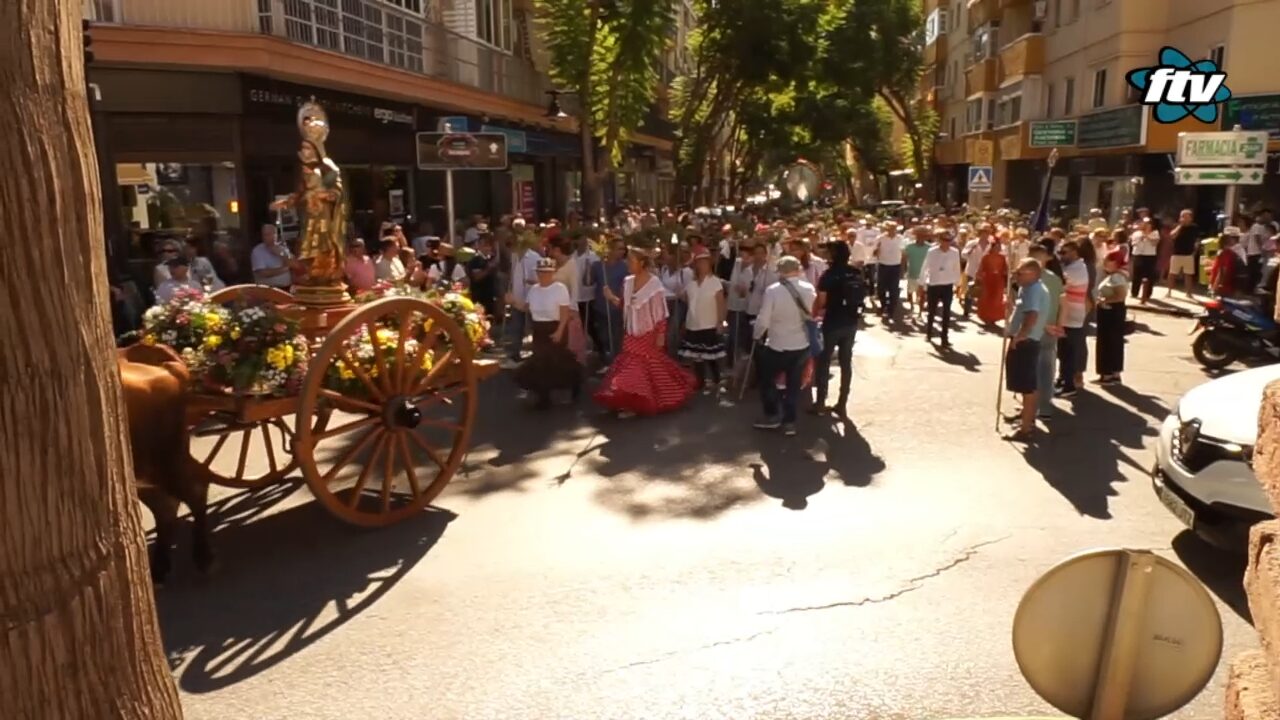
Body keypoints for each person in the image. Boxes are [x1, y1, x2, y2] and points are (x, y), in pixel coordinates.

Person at [594, 246, 696, 417]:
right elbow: (624, 306)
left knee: (646, 367)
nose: (628, 263)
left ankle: (639, 402)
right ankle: (630, 401)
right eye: (628, 260)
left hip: (649, 332)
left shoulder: (654, 283)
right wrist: (611, 296)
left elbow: (660, 312)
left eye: (632, 260)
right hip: (631, 332)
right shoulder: (627, 282)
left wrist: (661, 334)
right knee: (630, 366)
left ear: (641, 263)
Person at [752, 256, 816, 436]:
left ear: (780, 271)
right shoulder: (809, 289)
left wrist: (756, 335)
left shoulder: (773, 290)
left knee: (767, 380)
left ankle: (772, 415)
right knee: (794, 384)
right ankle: (790, 421)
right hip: (801, 343)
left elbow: (764, 318)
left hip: (777, 344)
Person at [513, 258, 583, 409]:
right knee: (540, 363)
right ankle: (544, 397)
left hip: (555, 327)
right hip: (539, 329)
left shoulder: (560, 288)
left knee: (558, 361)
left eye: (547, 273)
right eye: (541, 273)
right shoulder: (534, 290)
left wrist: (559, 331)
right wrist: (513, 302)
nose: (543, 276)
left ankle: (574, 381)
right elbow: (527, 308)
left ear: (553, 273)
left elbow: (564, 312)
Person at [811, 241, 864, 416]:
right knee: (845, 362)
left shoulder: (828, 275)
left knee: (824, 361)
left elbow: (822, 302)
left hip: (832, 322)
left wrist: (812, 314)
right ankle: (842, 403)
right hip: (851, 321)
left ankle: (820, 402)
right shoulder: (855, 272)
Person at [1002, 259, 1048, 443]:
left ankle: (1026, 428)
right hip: (1025, 339)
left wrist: (1020, 335)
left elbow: (1032, 315)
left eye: (1020, 273)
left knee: (1027, 385)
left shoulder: (1035, 289)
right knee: (1023, 383)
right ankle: (1025, 416)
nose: (1016, 276)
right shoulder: (1027, 287)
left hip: (1027, 341)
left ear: (1033, 274)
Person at [679, 249, 727, 393]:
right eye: (699, 263)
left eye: (705, 262)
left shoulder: (715, 282)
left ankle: (717, 378)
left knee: (710, 355)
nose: (702, 265)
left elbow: (721, 303)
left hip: (709, 323)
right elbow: (687, 300)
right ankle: (699, 380)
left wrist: (721, 321)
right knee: (696, 355)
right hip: (694, 323)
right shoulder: (691, 284)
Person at [1028, 243, 1065, 420]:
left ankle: (1044, 407)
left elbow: (1061, 303)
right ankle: (1029, 407)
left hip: (1045, 328)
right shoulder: (1024, 277)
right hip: (1031, 328)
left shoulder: (1052, 279)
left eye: (1040, 256)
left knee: (1044, 368)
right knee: (1030, 369)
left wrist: (1059, 324)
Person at [1055, 240, 1090, 399]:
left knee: (1069, 352)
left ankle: (1069, 385)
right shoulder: (1070, 267)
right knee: (1062, 351)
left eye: (1065, 252)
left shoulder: (1078, 268)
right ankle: (1062, 379)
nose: (1061, 256)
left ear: (1075, 252)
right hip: (1066, 313)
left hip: (1073, 314)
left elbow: (1062, 283)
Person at [502, 234, 542, 370]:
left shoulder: (534, 258)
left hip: (531, 299)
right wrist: (510, 291)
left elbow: (541, 279)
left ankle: (538, 356)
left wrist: (531, 282)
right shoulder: (514, 257)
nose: (512, 249)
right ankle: (515, 354)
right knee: (516, 327)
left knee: (533, 328)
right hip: (517, 298)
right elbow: (513, 276)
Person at [1095, 250, 1131, 385]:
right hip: (1112, 312)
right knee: (1113, 342)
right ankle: (1113, 373)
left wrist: (1104, 300)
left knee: (1108, 343)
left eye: (1107, 260)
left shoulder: (1117, 277)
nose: (1104, 263)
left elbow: (1120, 296)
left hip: (1111, 312)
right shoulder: (1115, 276)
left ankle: (1108, 374)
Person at [920, 230, 962, 348]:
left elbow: (956, 267)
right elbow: (925, 266)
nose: (947, 243)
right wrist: (922, 282)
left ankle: (944, 337)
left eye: (949, 240)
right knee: (932, 310)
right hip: (934, 284)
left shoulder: (954, 252)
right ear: (939, 240)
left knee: (946, 312)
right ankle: (929, 333)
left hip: (947, 285)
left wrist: (957, 283)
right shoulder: (932, 252)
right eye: (944, 240)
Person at [591, 238, 628, 366]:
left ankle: (616, 364)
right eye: (619, 248)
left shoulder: (625, 266)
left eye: (623, 249)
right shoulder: (597, 265)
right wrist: (587, 268)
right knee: (603, 337)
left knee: (616, 337)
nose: (622, 252)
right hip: (600, 307)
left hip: (617, 307)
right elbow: (588, 282)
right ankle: (606, 361)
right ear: (610, 250)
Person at [658, 243, 693, 358]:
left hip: (678, 304)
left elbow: (689, 291)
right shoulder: (664, 270)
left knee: (672, 333)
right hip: (665, 303)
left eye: (667, 254)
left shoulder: (686, 272)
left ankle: (673, 357)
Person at [1167, 209, 1200, 298]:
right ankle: (1169, 291)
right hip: (1176, 253)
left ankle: (1188, 293)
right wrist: (1180, 226)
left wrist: (1195, 252)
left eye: (1186, 217)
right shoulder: (1177, 226)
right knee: (1172, 274)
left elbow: (1197, 241)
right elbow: (1172, 236)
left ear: (1190, 218)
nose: (1184, 218)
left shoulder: (1194, 227)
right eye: (1182, 216)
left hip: (1188, 254)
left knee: (1188, 274)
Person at [976, 237, 1009, 326]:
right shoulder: (986, 257)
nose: (998, 249)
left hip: (998, 281)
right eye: (996, 247)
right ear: (992, 247)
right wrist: (978, 278)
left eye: (999, 247)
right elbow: (981, 268)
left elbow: (1005, 269)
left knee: (997, 299)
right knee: (987, 298)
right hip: (987, 280)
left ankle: (994, 317)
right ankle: (986, 317)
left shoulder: (1002, 258)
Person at [467, 235, 501, 321]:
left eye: (489, 245)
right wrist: (489, 269)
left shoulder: (488, 260)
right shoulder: (475, 260)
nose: (488, 248)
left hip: (489, 297)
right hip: (479, 296)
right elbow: (477, 277)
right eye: (485, 245)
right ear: (479, 246)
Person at [875, 223, 904, 320]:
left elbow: (903, 252)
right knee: (881, 288)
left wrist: (903, 267)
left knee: (893, 289)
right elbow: (875, 251)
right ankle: (883, 305)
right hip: (883, 265)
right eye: (890, 228)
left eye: (894, 229)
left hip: (895, 265)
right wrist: (877, 250)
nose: (892, 230)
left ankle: (891, 310)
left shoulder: (900, 239)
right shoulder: (880, 238)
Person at [251, 223, 294, 289]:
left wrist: (281, 254)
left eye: (274, 233)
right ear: (262, 236)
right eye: (267, 234)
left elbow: (293, 264)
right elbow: (263, 273)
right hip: (269, 290)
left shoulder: (282, 248)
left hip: (287, 288)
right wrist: (285, 269)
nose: (271, 236)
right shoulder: (257, 251)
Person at [1129, 217, 1160, 304]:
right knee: (1136, 274)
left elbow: (1155, 243)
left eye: (1148, 223)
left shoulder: (1155, 233)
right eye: (1144, 223)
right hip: (1138, 254)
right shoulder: (1136, 233)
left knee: (1149, 276)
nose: (1146, 225)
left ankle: (1147, 294)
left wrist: (1147, 236)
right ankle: (1134, 292)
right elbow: (1133, 243)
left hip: (1149, 256)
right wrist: (1141, 238)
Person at [1210, 228, 1248, 299]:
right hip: (1228, 285)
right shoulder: (1229, 252)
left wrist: (1216, 286)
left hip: (1226, 286)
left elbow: (1223, 271)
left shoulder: (1230, 253)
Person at [903, 225, 931, 317]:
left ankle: (920, 311)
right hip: (912, 273)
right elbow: (904, 258)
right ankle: (911, 308)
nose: (921, 237)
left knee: (923, 294)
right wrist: (904, 270)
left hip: (924, 275)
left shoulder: (930, 248)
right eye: (919, 235)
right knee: (911, 292)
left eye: (923, 235)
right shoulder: (909, 246)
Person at [1245, 209, 1276, 290]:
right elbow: (1258, 240)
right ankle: (1250, 289)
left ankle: (1256, 288)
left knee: (1259, 272)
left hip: (1262, 254)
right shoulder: (1256, 226)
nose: (1268, 218)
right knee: (1254, 273)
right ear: (1262, 216)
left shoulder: (1266, 227)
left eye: (1270, 217)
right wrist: (1264, 250)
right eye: (1267, 216)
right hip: (1255, 253)